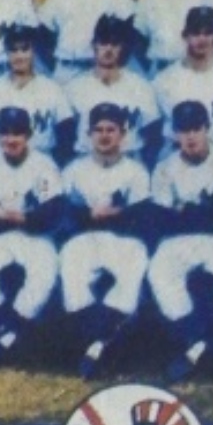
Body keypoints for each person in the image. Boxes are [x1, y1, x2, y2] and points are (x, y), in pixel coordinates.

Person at [57, 100, 153, 379]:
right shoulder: (74, 169)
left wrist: (113, 214)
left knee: (132, 270)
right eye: (98, 130)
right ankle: (98, 344)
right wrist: (91, 214)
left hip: (123, 239)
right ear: (89, 134)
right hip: (85, 237)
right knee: (72, 267)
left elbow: (140, 216)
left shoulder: (136, 170)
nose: (104, 135)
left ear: (123, 134)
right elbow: (65, 213)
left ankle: (97, 346)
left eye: (111, 129)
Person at [0, 106, 64, 365]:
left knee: (45, 271)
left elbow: (51, 213)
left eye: (17, 133)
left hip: (33, 236)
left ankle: (7, 336)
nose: (10, 139)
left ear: (28, 135)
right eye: (5, 133)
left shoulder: (43, 166)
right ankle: (9, 331)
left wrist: (18, 218)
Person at [148, 101, 213, 382]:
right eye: (184, 130)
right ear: (175, 133)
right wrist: (204, 212)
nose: (190, 136)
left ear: (207, 128)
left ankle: (200, 347)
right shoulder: (165, 168)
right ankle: (198, 342)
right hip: (179, 239)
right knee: (159, 271)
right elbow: (163, 218)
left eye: (196, 128)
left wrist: (187, 211)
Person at [64, 17, 161, 163]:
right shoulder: (74, 88)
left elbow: (153, 136)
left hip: (129, 160)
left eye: (114, 44)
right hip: (87, 162)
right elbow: (65, 138)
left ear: (122, 47)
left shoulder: (140, 87)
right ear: (94, 45)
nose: (108, 49)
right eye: (103, 43)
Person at [0, 24, 74, 162]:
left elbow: (66, 135)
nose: (19, 56)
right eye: (13, 50)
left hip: (41, 161)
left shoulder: (52, 89)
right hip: (2, 162)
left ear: (34, 51)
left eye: (25, 49)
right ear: (6, 53)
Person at [153, 7, 213, 152]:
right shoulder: (164, 81)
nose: (202, 39)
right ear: (185, 35)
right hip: (177, 155)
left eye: (208, 33)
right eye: (196, 33)